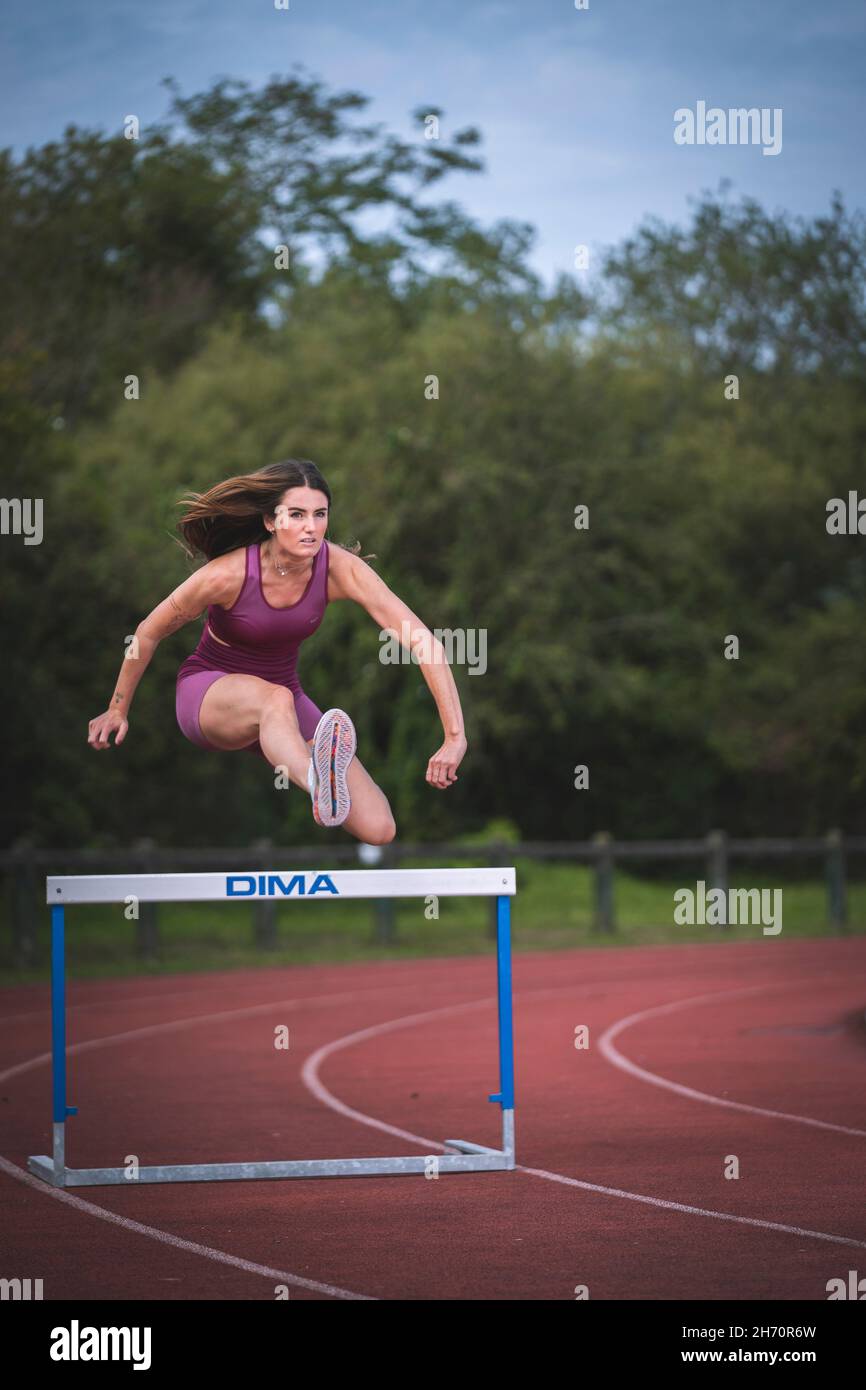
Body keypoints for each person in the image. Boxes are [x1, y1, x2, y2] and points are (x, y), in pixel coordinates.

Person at [86, 458, 468, 842]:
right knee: (276, 699)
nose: (311, 527)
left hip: (283, 704)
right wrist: (118, 707)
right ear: (270, 521)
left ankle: (318, 778)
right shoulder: (228, 574)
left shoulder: (340, 569)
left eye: (320, 515)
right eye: (297, 514)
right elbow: (147, 633)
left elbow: (424, 643)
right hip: (210, 695)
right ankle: (318, 781)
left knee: (379, 827)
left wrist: (454, 736)